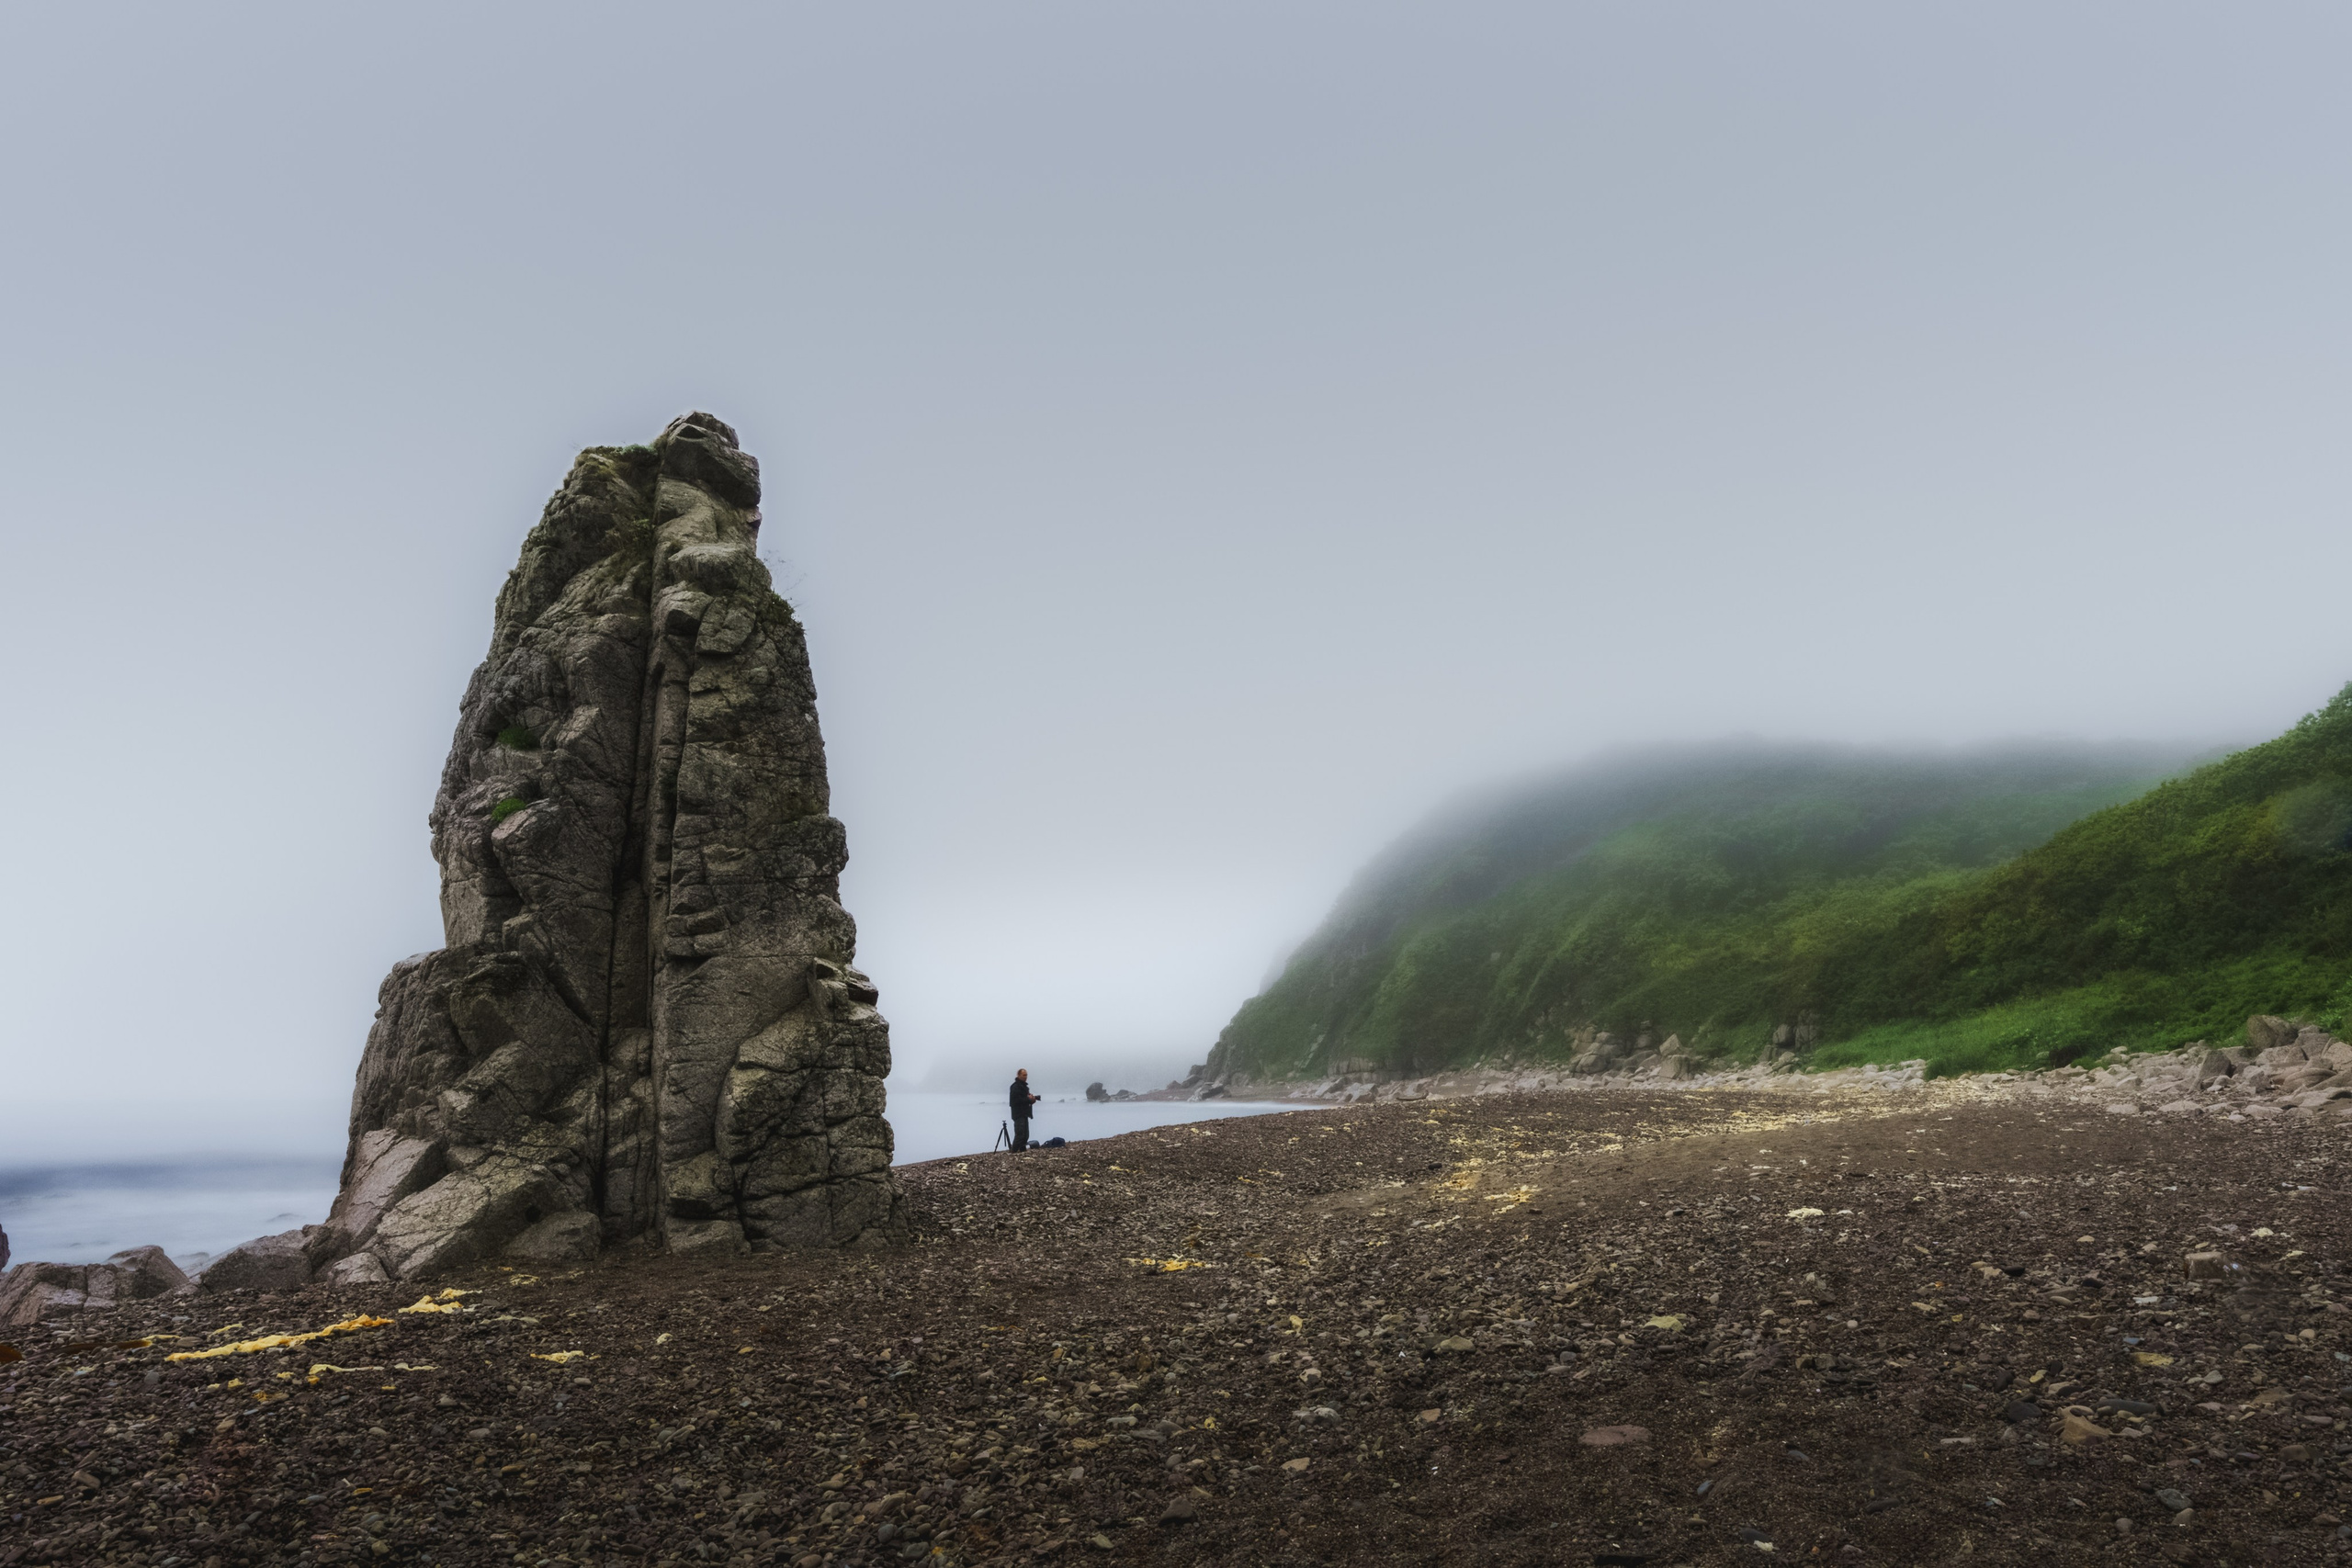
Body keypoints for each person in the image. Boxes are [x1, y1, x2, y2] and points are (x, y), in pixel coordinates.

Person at [1009, 1068, 1040, 1151]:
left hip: (1025, 1113)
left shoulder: (1024, 1087)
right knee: (1020, 1135)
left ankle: (1022, 1151)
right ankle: (1014, 1152)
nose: (1025, 1077)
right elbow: (1015, 1101)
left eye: (1026, 1075)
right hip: (1018, 1114)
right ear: (1018, 1075)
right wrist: (1029, 1099)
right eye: (1024, 1075)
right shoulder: (1015, 1087)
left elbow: (1024, 1100)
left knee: (1025, 1135)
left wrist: (1031, 1100)